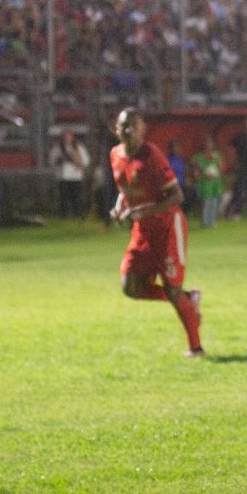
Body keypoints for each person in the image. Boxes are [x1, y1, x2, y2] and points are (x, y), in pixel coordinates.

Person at [108, 108, 204, 357]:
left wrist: (143, 211)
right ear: (115, 129)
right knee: (130, 286)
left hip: (168, 228)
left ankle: (196, 348)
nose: (128, 130)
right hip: (144, 231)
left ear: (143, 130)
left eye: (134, 126)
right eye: (124, 126)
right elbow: (126, 188)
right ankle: (188, 299)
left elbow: (176, 196)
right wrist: (119, 208)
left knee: (172, 289)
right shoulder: (115, 155)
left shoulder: (151, 155)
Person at [49, 130, 91, 219]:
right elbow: (52, 160)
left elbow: (86, 160)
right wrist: (58, 161)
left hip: (76, 176)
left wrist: (79, 164)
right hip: (63, 176)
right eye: (65, 136)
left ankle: (78, 214)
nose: (68, 138)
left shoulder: (79, 147)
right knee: (63, 197)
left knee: (76, 196)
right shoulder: (58, 148)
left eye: (69, 136)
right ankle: (63, 215)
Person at [226, 117, 247, 220]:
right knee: (240, 189)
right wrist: (234, 161)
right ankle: (236, 212)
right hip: (242, 166)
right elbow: (230, 148)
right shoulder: (240, 137)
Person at [193, 139, 225, 228]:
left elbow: (222, 167)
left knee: (214, 202)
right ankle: (205, 222)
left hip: (215, 182)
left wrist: (217, 172)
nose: (209, 146)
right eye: (207, 144)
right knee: (206, 202)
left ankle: (212, 221)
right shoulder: (199, 157)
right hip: (205, 182)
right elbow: (196, 170)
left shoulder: (217, 155)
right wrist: (198, 177)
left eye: (210, 144)